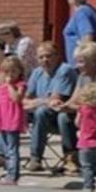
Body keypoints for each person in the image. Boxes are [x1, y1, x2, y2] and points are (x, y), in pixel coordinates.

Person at [23, 40, 77, 172]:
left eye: (49, 56)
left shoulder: (65, 70)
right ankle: (3, 154)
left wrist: (35, 102)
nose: (45, 60)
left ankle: (69, 157)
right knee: (9, 110)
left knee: (47, 113)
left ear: (58, 56)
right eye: (41, 57)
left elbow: (56, 100)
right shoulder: (37, 72)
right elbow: (24, 101)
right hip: (44, 115)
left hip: (69, 114)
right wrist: (43, 101)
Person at [68, 41, 96, 192]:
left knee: (87, 164)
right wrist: (61, 105)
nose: (78, 65)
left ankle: (88, 185)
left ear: (93, 61)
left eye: (82, 62)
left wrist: (80, 108)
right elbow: (74, 100)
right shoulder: (82, 77)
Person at [0, 54, 28, 184]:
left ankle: (13, 175)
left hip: (13, 119)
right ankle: (8, 172)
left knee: (12, 149)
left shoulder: (20, 85)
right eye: (7, 72)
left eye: (14, 71)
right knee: (5, 148)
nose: (10, 75)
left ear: (19, 72)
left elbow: (16, 98)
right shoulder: (1, 86)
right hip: (3, 119)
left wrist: (10, 86)